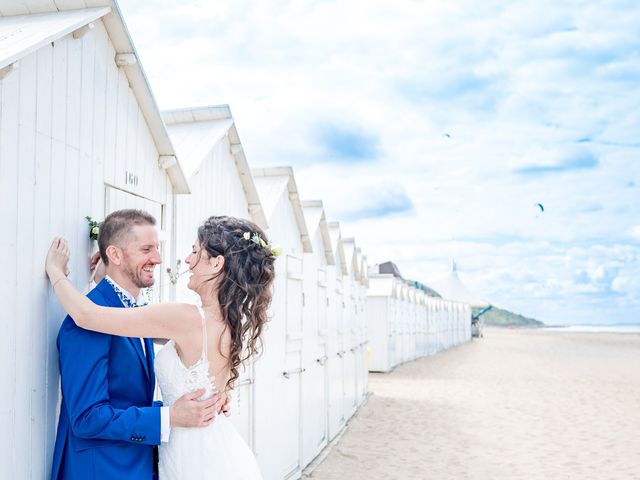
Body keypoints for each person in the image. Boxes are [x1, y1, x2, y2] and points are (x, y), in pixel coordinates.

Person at [46, 214, 277, 480]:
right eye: (147, 249)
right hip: (201, 453)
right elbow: (103, 320)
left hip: (190, 458)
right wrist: (170, 414)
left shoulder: (185, 319)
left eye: (194, 252)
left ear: (216, 263)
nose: (185, 260)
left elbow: (89, 315)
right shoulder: (226, 321)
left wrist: (55, 273)